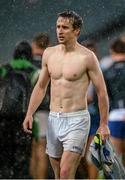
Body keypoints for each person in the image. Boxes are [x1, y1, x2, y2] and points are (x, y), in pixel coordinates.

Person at [23, 10, 110, 179]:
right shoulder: (49, 53)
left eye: (65, 27)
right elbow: (41, 86)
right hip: (53, 119)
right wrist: (29, 113)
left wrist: (104, 124)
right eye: (58, 27)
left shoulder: (87, 57)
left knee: (65, 172)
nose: (60, 31)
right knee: (58, 175)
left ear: (76, 30)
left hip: (77, 120)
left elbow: (102, 92)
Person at [0, 40, 36, 178]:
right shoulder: (33, 70)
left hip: (4, 116)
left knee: (5, 151)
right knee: (22, 154)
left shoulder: (6, 67)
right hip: (23, 117)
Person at [29, 32, 51, 179]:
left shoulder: (26, 64)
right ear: (48, 46)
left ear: (33, 46)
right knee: (41, 150)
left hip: (27, 112)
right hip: (44, 111)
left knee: (31, 150)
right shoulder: (49, 64)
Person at [103, 37, 125, 167]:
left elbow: (103, 97)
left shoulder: (107, 71)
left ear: (112, 51)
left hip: (115, 115)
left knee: (116, 159)